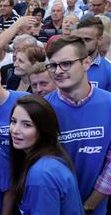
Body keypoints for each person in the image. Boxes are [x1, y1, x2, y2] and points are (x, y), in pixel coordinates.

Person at [45, 35, 111, 215]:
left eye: (66, 63)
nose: (58, 71)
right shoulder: (44, 109)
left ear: (87, 63)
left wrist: (88, 206)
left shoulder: (109, 104)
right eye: (53, 65)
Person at [9, 95, 83, 214]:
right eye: (13, 121)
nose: (15, 130)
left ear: (43, 129)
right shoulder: (50, 160)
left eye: (27, 125)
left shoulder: (41, 174)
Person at [75, 17, 111, 92]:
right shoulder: (63, 66)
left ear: (99, 40)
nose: (82, 43)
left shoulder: (108, 70)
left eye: (87, 39)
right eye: (79, 39)